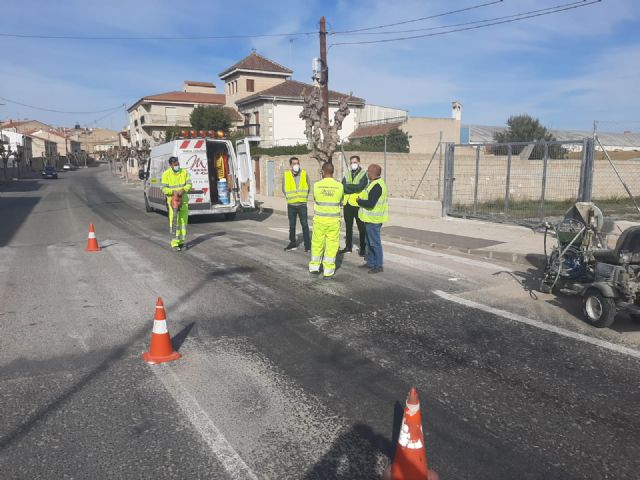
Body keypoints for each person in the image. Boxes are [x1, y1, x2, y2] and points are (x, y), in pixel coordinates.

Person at [309, 162, 344, 279]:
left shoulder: (317, 185)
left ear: (323, 172)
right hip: (333, 221)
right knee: (332, 246)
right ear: (332, 172)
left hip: (319, 220)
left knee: (317, 244)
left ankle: (314, 268)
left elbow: (315, 198)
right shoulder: (339, 186)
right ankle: (328, 272)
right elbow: (341, 201)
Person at [357, 164, 388, 274]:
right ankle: (371, 262)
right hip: (369, 219)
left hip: (374, 220)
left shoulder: (377, 186)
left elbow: (370, 203)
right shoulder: (373, 184)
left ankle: (378, 265)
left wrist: (359, 201)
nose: (367, 173)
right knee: (368, 242)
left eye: (368, 172)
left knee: (375, 243)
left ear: (373, 173)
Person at [161, 156, 192, 251]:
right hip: (173, 202)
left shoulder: (184, 172)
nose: (177, 166)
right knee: (175, 222)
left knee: (183, 222)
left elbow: (189, 184)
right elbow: (163, 188)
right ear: (170, 165)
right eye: (175, 165)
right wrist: (173, 192)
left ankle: (182, 242)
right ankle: (175, 243)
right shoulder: (166, 174)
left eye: (178, 164)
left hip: (184, 201)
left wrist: (184, 189)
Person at [340, 155, 368, 256]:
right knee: (348, 226)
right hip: (347, 203)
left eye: (355, 162)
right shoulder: (347, 173)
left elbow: (360, 187)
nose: (353, 164)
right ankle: (348, 247)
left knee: (361, 227)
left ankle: (363, 248)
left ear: (359, 162)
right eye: (351, 162)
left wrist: (349, 187)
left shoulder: (364, 174)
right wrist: (353, 188)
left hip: (357, 203)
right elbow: (342, 186)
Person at [282, 156, 311, 251]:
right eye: (294, 164)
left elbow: (308, 187)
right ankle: (292, 243)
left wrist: (304, 198)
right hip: (291, 205)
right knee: (292, 225)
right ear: (290, 165)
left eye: (297, 163)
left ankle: (308, 245)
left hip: (302, 204)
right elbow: (284, 188)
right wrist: (289, 197)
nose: (296, 165)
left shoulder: (304, 174)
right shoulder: (286, 175)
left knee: (305, 225)